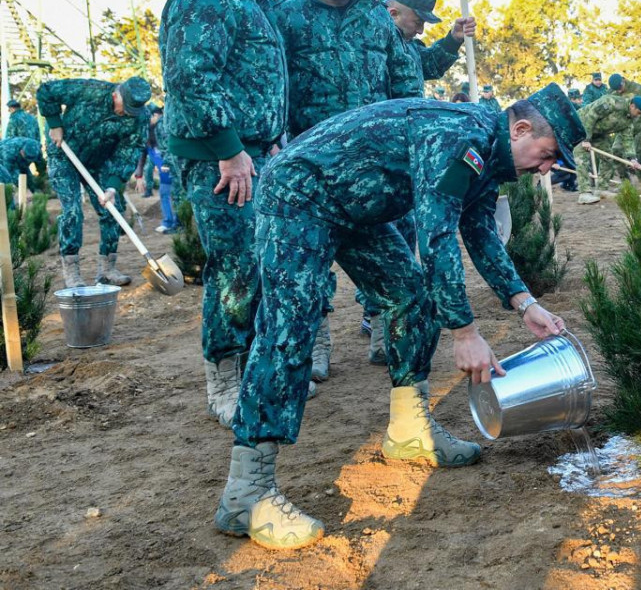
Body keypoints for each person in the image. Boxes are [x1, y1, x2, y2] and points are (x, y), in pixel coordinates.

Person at [215, 85, 584, 550]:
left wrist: (524, 302)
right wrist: (465, 332)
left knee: (411, 298)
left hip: (355, 210)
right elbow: (436, 236)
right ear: (521, 129)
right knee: (291, 327)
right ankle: (247, 492)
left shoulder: (489, 156)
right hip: (301, 194)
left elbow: (480, 232)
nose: (548, 168)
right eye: (549, 155)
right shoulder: (457, 135)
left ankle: (409, 430)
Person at [275, 0, 462, 382]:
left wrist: (407, 147)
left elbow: (404, 86)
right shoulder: (287, 16)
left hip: (372, 165)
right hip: (310, 165)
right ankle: (317, 344)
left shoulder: (377, 19)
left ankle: (383, 330)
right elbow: (274, 86)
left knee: (393, 250)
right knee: (310, 261)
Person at [160, 0, 299, 428]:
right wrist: (228, 148)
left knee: (260, 261)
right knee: (234, 267)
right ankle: (222, 376)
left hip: (256, 154)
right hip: (224, 161)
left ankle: (252, 365)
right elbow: (190, 77)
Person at [37, 77, 150, 287]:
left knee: (111, 208)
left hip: (97, 162)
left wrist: (112, 185)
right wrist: (54, 124)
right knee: (72, 211)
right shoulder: (89, 90)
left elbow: (129, 151)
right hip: (64, 154)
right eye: (124, 108)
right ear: (116, 95)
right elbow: (47, 91)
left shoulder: (139, 118)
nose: (126, 114)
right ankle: (72, 272)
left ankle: (107, 270)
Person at [385, 0, 475, 94]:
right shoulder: (372, 42)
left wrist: (453, 39)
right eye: (417, 23)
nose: (421, 31)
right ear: (394, 14)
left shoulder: (408, 44)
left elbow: (430, 65)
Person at [572, 93, 641, 205]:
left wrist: (632, 159)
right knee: (582, 157)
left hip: (599, 134)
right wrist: (586, 139)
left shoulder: (628, 121)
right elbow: (591, 116)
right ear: (632, 106)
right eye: (638, 112)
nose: (638, 116)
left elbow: (628, 139)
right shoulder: (612, 103)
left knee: (608, 157)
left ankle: (601, 189)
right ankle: (584, 193)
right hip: (580, 126)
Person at [133, 103, 178, 234]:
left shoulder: (165, 128)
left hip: (175, 172)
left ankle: (179, 224)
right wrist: (139, 176)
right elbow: (143, 154)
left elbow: (172, 148)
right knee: (164, 195)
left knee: (177, 197)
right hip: (164, 174)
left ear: (156, 115)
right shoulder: (147, 132)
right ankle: (168, 222)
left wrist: (168, 163)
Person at [608, 73, 641, 138]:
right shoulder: (611, 92)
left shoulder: (639, 90)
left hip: (639, 132)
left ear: (623, 81)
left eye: (620, 88)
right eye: (616, 89)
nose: (619, 91)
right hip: (621, 132)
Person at [6, 98, 43, 185]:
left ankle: (29, 190)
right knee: (42, 171)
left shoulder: (14, 119)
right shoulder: (31, 117)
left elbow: (10, 138)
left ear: (12, 108)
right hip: (35, 147)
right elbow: (38, 132)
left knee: (22, 171)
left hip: (22, 150)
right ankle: (45, 189)